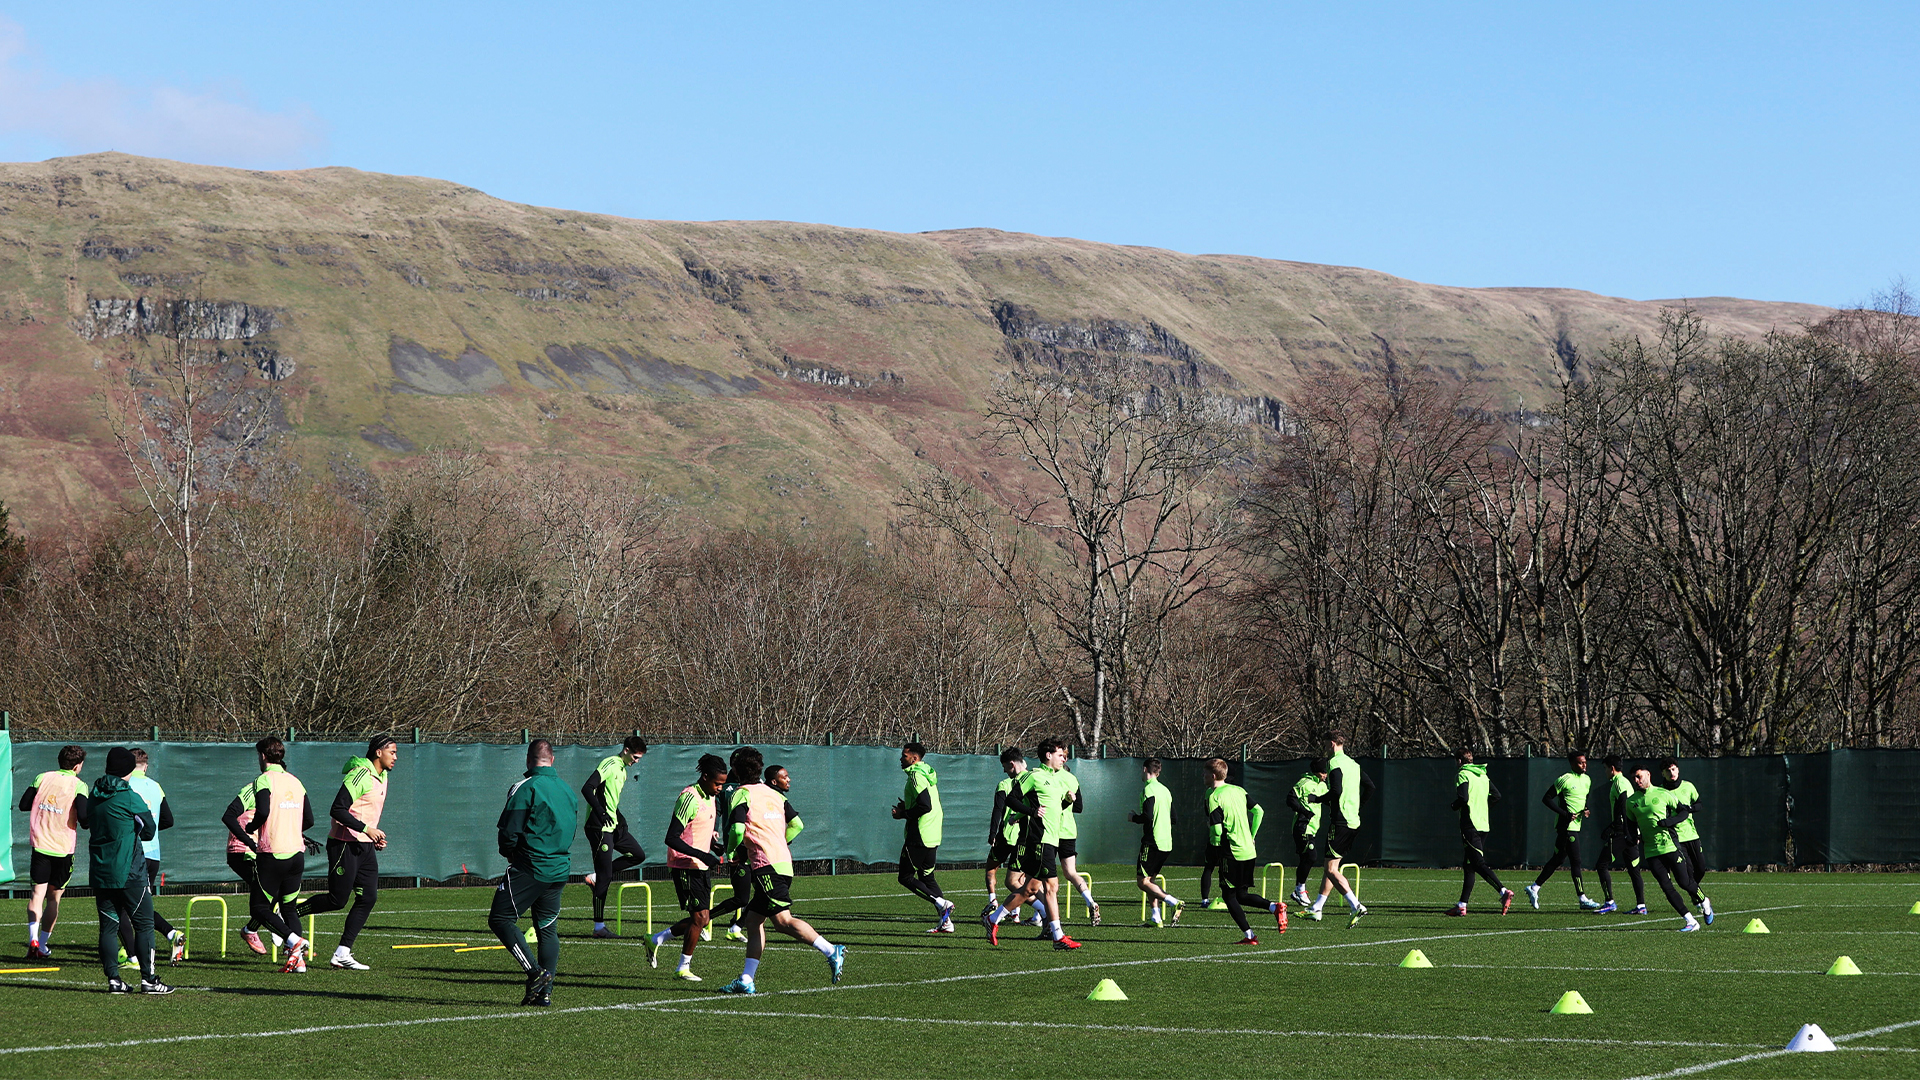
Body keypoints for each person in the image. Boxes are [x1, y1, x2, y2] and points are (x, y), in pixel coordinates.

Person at [717, 747, 845, 994]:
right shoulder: (775, 794)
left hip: (766, 867)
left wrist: (732, 853)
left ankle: (831, 950)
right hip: (783, 863)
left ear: (735, 770)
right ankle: (746, 979)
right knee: (754, 921)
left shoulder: (741, 793)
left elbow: (736, 830)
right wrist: (779, 842)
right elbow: (797, 824)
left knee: (783, 921)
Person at [293, 736, 398, 970]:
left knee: (368, 898)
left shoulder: (383, 776)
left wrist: (373, 836)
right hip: (344, 844)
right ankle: (287, 915)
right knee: (337, 900)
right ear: (378, 752)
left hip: (365, 846)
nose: (395, 757)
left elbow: (366, 813)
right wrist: (366, 829)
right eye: (392, 752)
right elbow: (337, 809)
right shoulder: (360, 774)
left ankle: (342, 952)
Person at [489, 739, 579, 1006]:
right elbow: (571, 830)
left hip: (531, 867)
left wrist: (512, 854)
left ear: (529, 761)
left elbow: (508, 834)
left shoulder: (525, 787)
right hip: (560, 868)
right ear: (552, 760)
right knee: (547, 929)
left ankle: (535, 973)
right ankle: (545, 994)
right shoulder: (567, 790)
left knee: (500, 919)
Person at [81, 747, 171, 994]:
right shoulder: (130, 797)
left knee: (108, 927)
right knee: (143, 925)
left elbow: (88, 822)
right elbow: (150, 830)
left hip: (101, 871)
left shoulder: (95, 794)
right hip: (130, 872)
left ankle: (114, 980)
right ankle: (149, 980)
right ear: (129, 770)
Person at [222, 736, 314, 973]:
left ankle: (293, 941)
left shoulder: (264, 780)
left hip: (272, 854)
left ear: (262, 756)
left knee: (259, 908)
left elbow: (262, 811)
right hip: (297, 854)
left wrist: (252, 829)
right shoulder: (296, 782)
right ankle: (298, 962)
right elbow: (310, 820)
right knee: (289, 907)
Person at [979, 738, 1081, 950]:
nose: (1063, 758)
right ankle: (1058, 936)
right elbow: (1011, 799)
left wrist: (1067, 802)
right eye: (1059, 754)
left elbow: (1054, 808)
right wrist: (1031, 812)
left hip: (1052, 840)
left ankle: (993, 919)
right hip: (1040, 840)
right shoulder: (1033, 777)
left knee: (1030, 888)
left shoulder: (1056, 780)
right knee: (1051, 886)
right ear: (1047, 755)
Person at [648, 754, 729, 981]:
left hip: (700, 864)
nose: (720, 788)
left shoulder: (711, 796)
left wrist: (714, 845)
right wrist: (703, 854)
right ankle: (682, 967)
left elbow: (697, 828)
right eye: (717, 783)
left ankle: (656, 939)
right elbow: (672, 838)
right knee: (700, 917)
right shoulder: (689, 797)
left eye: (722, 783)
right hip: (684, 865)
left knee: (702, 919)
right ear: (704, 777)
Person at [19, 745, 88, 959]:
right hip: (63, 849)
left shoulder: (42, 777)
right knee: (53, 899)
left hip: (40, 846)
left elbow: (23, 804)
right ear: (77, 766)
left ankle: (33, 938)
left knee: (37, 895)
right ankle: (43, 945)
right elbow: (85, 820)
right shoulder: (79, 785)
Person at [1623, 767, 1711, 931]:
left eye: (1639, 776)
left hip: (1670, 846)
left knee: (1685, 882)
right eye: (1634, 778)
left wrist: (1669, 822)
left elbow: (1683, 812)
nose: (1636, 780)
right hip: (1651, 851)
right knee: (1666, 887)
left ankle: (1704, 901)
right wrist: (1632, 836)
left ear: (1648, 775)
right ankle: (1690, 921)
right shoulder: (1631, 801)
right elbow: (1630, 823)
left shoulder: (1663, 793)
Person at [1207, 758, 1284, 944]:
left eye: (1204, 774)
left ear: (1212, 776)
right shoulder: (1239, 790)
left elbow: (1217, 830)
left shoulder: (1213, 796)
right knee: (1240, 895)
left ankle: (1250, 935)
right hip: (1249, 851)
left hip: (1231, 851)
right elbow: (1259, 811)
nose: (1203, 777)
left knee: (1228, 895)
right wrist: (1252, 835)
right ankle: (1274, 907)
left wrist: (1215, 848)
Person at [120, 749, 184, 964]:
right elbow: (168, 820)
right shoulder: (155, 786)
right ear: (145, 766)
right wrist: (151, 830)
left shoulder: (126, 784)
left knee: (122, 906)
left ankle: (134, 955)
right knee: (142, 904)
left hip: (131, 853)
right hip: (153, 854)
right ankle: (170, 934)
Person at [582, 736, 648, 938]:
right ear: (626, 750)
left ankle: (595, 877)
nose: (637, 761)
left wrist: (619, 818)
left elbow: (610, 799)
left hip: (613, 824)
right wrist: (601, 812)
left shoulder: (623, 771)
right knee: (606, 877)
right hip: (599, 826)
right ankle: (598, 927)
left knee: (638, 855)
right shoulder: (610, 763)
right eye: (635, 757)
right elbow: (587, 788)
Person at [891, 742, 956, 933]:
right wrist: (907, 806)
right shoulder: (926, 772)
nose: (901, 759)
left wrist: (902, 814)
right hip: (933, 832)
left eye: (904, 755)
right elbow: (923, 803)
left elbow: (925, 805)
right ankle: (946, 923)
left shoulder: (916, 775)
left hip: (919, 834)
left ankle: (941, 903)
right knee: (927, 877)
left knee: (905, 877)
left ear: (914, 758)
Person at [1308, 733, 1370, 926]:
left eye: (1326, 745)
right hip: (1353, 820)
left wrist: (1316, 799)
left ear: (1333, 744)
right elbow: (1370, 787)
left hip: (1341, 821)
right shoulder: (1354, 765)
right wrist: (1357, 805)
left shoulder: (1334, 763)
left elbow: (1336, 791)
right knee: (1331, 866)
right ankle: (1317, 907)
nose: (1325, 749)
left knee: (1330, 868)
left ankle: (1356, 905)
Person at [1526, 751, 1600, 911]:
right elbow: (1546, 798)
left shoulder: (1587, 780)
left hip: (1575, 826)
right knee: (1576, 862)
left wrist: (1585, 809)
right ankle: (1582, 898)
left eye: (1585, 762)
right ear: (1573, 764)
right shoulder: (1565, 779)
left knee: (1558, 859)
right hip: (1566, 827)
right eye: (1580, 763)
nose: (1584, 765)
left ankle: (1535, 887)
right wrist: (1565, 814)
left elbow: (1582, 799)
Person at [1446, 748, 1514, 916]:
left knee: (1478, 863)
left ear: (1460, 761)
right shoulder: (1482, 775)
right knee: (1469, 865)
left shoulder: (1463, 774)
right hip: (1483, 825)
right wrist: (1482, 807)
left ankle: (1503, 891)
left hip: (1470, 824)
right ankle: (1462, 905)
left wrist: (1454, 806)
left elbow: (1463, 798)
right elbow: (1496, 796)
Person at [706, 746, 759, 943]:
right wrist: (714, 828)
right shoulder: (725, 786)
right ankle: (703, 920)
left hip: (757, 846)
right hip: (737, 846)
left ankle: (736, 926)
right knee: (742, 897)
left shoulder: (757, 786)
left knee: (764, 893)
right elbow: (717, 809)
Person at [983, 748, 1039, 929]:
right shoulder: (1036, 779)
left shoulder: (1007, 784)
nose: (1004, 771)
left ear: (1012, 764)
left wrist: (993, 834)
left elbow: (998, 810)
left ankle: (1043, 911)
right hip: (1030, 837)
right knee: (1024, 879)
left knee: (1009, 878)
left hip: (1011, 836)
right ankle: (1019, 913)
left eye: (1005, 767)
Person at [1129, 758, 1182, 926]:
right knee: (1150, 881)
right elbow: (1174, 818)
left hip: (1153, 841)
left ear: (1145, 769)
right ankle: (1156, 917)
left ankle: (1174, 902)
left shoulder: (1148, 789)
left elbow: (1147, 817)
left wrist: (1133, 818)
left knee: (1142, 882)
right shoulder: (1165, 790)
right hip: (1166, 842)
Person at [223, 772, 272, 954]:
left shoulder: (278, 793)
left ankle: (255, 929)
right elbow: (228, 816)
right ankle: (281, 935)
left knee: (274, 891)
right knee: (267, 890)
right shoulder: (252, 790)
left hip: (263, 852)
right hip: (243, 852)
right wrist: (249, 841)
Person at [1593, 754, 1648, 914]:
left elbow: (1624, 806)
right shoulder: (1622, 782)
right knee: (1633, 870)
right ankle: (1641, 906)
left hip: (1622, 833)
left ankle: (1609, 901)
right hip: (1629, 832)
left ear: (1611, 768)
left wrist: (1619, 829)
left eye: (1605, 768)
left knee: (1601, 865)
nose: (1605, 772)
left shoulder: (1619, 783)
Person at [1053, 757, 1100, 926]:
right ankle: (1090, 902)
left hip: (1052, 831)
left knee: (1047, 876)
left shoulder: (1052, 779)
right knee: (1071, 872)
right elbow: (1079, 807)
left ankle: (1042, 914)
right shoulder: (1073, 780)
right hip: (1069, 831)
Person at [1285, 758, 1329, 907]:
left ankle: (1299, 889)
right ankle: (1300, 889)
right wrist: (1304, 812)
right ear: (1316, 772)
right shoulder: (1304, 782)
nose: (1325, 775)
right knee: (1311, 856)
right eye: (1323, 772)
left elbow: (1328, 799)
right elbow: (1290, 798)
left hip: (1313, 827)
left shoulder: (1322, 785)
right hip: (1302, 826)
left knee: (1307, 858)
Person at [1661, 758, 1709, 892]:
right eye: (1667, 770)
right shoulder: (1660, 792)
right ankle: (1699, 898)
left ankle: (1694, 891)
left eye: (1673, 769)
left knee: (1700, 869)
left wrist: (1689, 809)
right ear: (1662, 773)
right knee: (1687, 871)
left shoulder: (1688, 786)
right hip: (1676, 838)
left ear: (1678, 769)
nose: (1671, 773)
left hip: (1692, 835)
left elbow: (1699, 804)